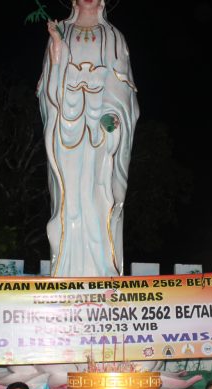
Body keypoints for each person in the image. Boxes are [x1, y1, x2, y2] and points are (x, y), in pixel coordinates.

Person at [38, 0, 140, 277]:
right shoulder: (63, 30)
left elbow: (123, 87)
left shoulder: (113, 36)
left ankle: (102, 270)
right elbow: (49, 79)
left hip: (100, 132)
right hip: (67, 127)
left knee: (98, 196)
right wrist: (57, 44)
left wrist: (112, 116)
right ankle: (67, 270)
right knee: (69, 197)